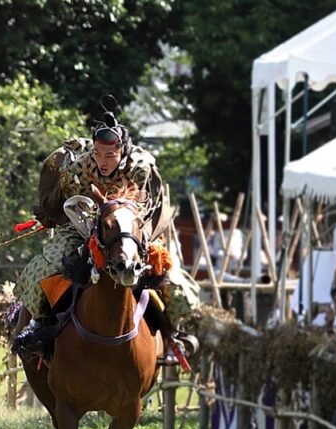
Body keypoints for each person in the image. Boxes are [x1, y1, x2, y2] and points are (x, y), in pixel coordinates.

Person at [12, 106, 200, 360]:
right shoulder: (79, 167)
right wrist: (56, 215)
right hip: (83, 227)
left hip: (131, 231)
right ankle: (38, 324)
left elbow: (146, 205)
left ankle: (173, 333)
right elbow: (63, 199)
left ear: (121, 151)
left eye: (110, 155)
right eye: (98, 154)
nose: (102, 161)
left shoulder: (140, 168)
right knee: (43, 267)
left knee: (172, 277)